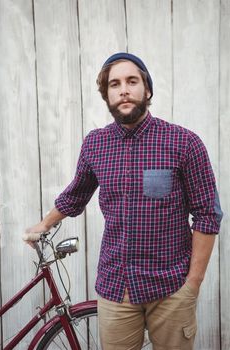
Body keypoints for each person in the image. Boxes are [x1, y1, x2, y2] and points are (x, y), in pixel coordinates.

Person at [25, 52, 223, 350]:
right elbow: (76, 194)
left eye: (132, 81)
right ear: (106, 95)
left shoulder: (184, 143)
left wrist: (191, 285)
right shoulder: (95, 143)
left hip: (170, 288)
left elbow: (208, 215)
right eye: (114, 84)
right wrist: (42, 225)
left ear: (148, 89)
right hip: (116, 288)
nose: (124, 90)